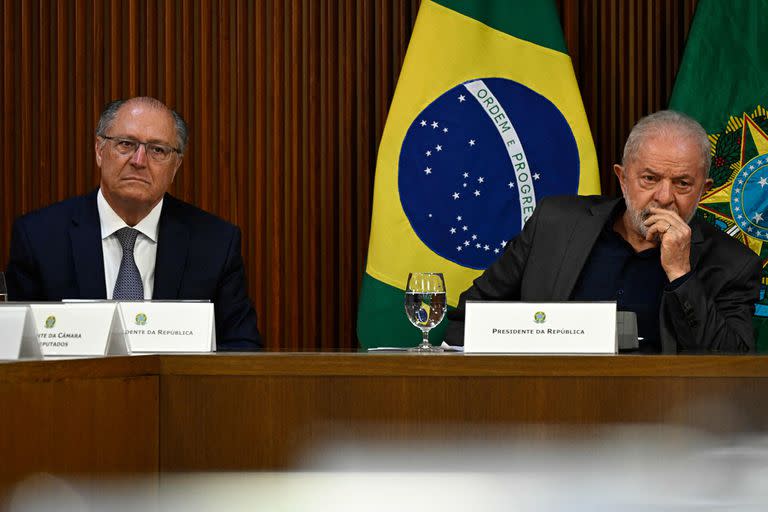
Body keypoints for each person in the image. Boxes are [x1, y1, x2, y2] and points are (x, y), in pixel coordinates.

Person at [445, 110, 761, 353]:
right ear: (622, 179)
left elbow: (730, 365)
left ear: (703, 191)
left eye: (682, 183)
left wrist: (681, 274)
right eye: (649, 179)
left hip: (664, 422)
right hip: (546, 413)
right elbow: (468, 319)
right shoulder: (554, 224)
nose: (664, 198)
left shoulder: (733, 263)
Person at [5, 96, 262, 351]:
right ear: (99, 150)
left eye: (157, 150)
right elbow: (15, 350)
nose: (139, 161)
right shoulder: (39, 237)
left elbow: (243, 348)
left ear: (176, 166)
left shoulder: (215, 243)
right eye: (126, 144)